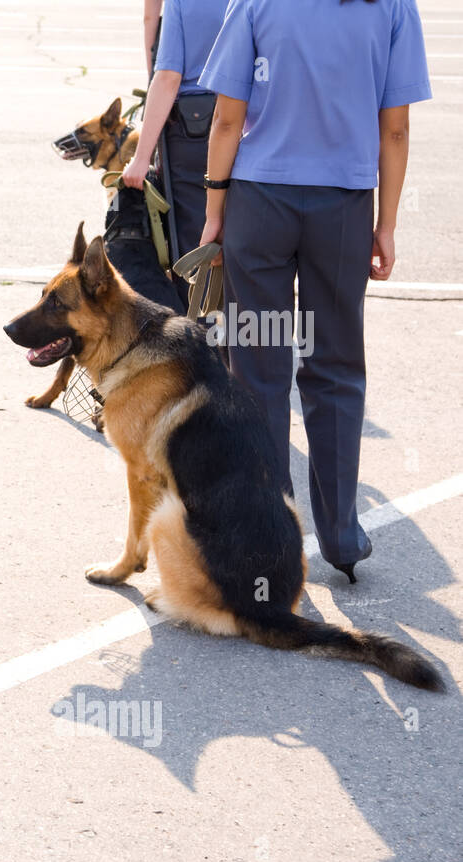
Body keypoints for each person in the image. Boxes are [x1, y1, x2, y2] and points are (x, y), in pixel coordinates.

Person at [199, 0, 431, 582]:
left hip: (260, 205)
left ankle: (267, 542)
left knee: (257, 368)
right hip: (344, 211)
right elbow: (395, 127)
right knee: (335, 368)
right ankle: (343, 538)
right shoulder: (393, 7)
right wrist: (387, 223)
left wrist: (213, 211)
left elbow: (227, 119)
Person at [122, 0, 229, 297]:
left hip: (192, 133)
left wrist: (142, 157)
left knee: (195, 248)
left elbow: (167, 77)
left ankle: (203, 335)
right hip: (250, 130)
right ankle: (244, 337)